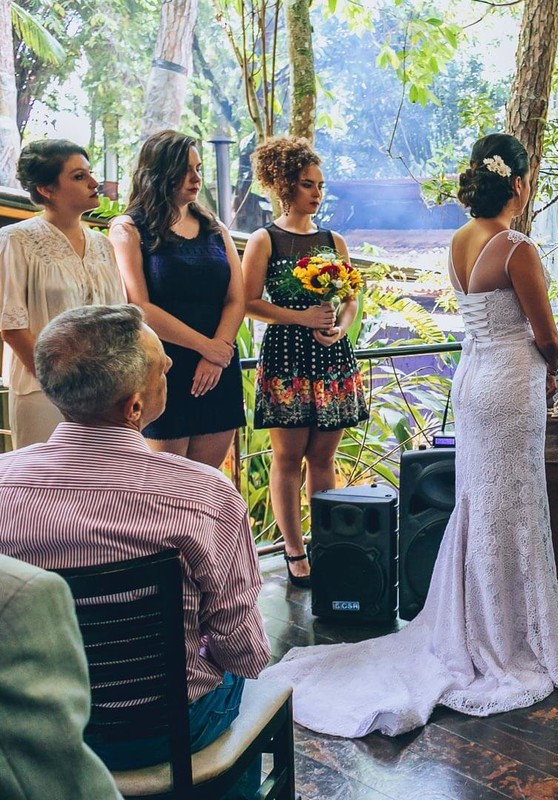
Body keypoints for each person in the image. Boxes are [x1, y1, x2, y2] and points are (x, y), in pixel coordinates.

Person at [259, 133, 558, 737]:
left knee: (479, 505)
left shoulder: (460, 241)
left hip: (472, 379)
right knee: (511, 508)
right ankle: (508, 636)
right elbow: (546, 334)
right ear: (517, 183)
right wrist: (555, 367)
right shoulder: (517, 248)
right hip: (510, 386)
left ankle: (471, 623)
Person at [0, 304, 270, 791]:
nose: (169, 368)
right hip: (163, 730)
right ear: (134, 407)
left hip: (36, 725)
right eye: (162, 365)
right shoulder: (203, 495)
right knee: (241, 683)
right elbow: (243, 653)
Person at [242, 136, 368, 587]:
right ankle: (294, 552)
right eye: (306, 184)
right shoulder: (264, 239)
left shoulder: (334, 240)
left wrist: (339, 325)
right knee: (287, 456)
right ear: (283, 185)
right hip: (286, 356)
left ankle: (327, 542)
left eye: (320, 184)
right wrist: (300, 316)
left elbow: (351, 298)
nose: (316, 193)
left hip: (330, 355)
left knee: (322, 457)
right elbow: (247, 302)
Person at [111, 130, 245, 469]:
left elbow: (236, 299)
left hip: (219, 365)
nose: (196, 178)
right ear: (158, 172)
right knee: (164, 485)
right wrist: (205, 346)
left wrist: (218, 351)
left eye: (199, 168)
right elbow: (139, 306)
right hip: (163, 366)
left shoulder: (215, 227)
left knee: (207, 483)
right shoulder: (129, 228)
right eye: (185, 169)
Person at [0, 139, 124, 448]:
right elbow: (12, 326)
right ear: (46, 188)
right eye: (79, 176)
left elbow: (119, 319)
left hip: (104, 393)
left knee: (101, 487)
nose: (94, 183)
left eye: (89, 173)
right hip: (43, 393)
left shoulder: (103, 245)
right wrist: (59, 384)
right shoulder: (15, 240)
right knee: (45, 487)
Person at [0, 554, 122, 799]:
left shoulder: (8, 526)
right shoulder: (21, 591)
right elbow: (224, 644)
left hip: (78, 732)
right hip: (172, 735)